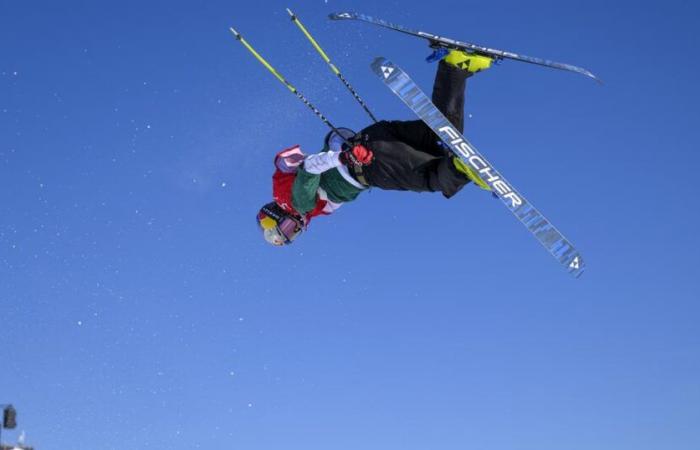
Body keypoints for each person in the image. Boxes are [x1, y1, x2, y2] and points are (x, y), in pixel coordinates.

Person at [256, 50, 494, 246]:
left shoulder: (298, 203)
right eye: (292, 235)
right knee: (443, 135)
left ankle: (463, 169)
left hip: (370, 164)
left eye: (287, 227)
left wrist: (344, 157)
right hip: (374, 137)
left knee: (433, 177)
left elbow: (309, 168)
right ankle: (455, 66)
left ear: (280, 213)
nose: (295, 228)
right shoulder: (301, 198)